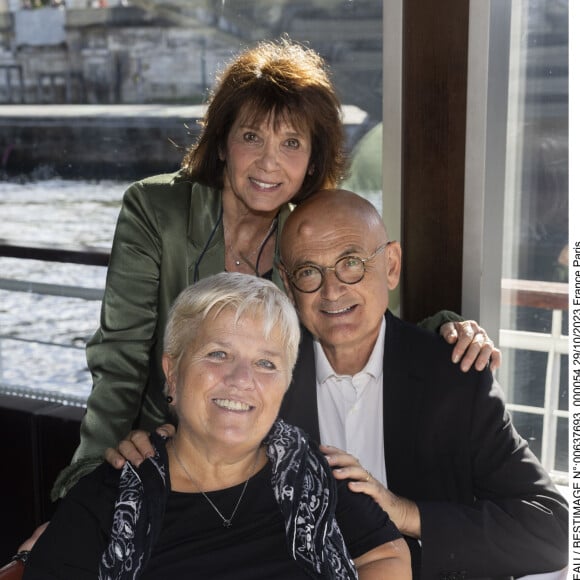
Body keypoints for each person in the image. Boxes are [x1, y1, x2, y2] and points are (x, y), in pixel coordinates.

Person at [51, 37, 498, 501]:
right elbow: (120, 362)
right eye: (252, 137)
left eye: (291, 143)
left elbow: (363, 332)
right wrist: (87, 481)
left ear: (311, 161)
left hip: (263, 464)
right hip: (161, 452)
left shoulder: (308, 239)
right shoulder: (155, 210)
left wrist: (447, 332)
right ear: (222, 143)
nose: (269, 162)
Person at [115, 190, 567, 578]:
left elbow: (552, 528)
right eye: (310, 271)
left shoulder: (451, 375)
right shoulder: (261, 382)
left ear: (390, 266)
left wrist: (404, 512)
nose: (332, 291)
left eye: (351, 263)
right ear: (289, 287)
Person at [23, 273, 411, 579]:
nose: (242, 378)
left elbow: (387, 553)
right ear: (172, 374)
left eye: (266, 363)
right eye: (218, 354)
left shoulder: (314, 473)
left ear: (286, 385)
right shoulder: (107, 498)